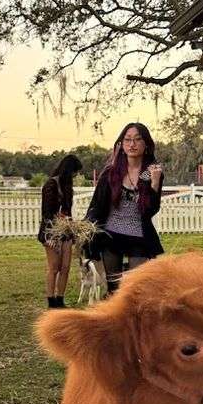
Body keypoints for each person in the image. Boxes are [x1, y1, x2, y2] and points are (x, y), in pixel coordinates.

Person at [85, 122, 164, 292]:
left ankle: (134, 317)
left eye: (137, 139)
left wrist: (155, 184)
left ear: (146, 144)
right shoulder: (111, 172)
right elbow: (97, 205)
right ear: (121, 145)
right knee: (114, 288)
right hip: (111, 234)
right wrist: (86, 229)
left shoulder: (150, 172)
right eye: (127, 140)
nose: (132, 144)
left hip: (138, 235)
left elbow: (151, 210)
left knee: (135, 288)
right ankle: (114, 317)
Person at [38, 154, 83, 307]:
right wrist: (58, 222)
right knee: (54, 266)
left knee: (65, 267)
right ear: (68, 170)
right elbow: (47, 213)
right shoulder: (51, 185)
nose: (75, 176)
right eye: (74, 172)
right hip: (51, 232)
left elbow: (68, 210)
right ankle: (51, 300)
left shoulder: (67, 187)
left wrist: (71, 225)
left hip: (66, 231)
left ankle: (60, 299)